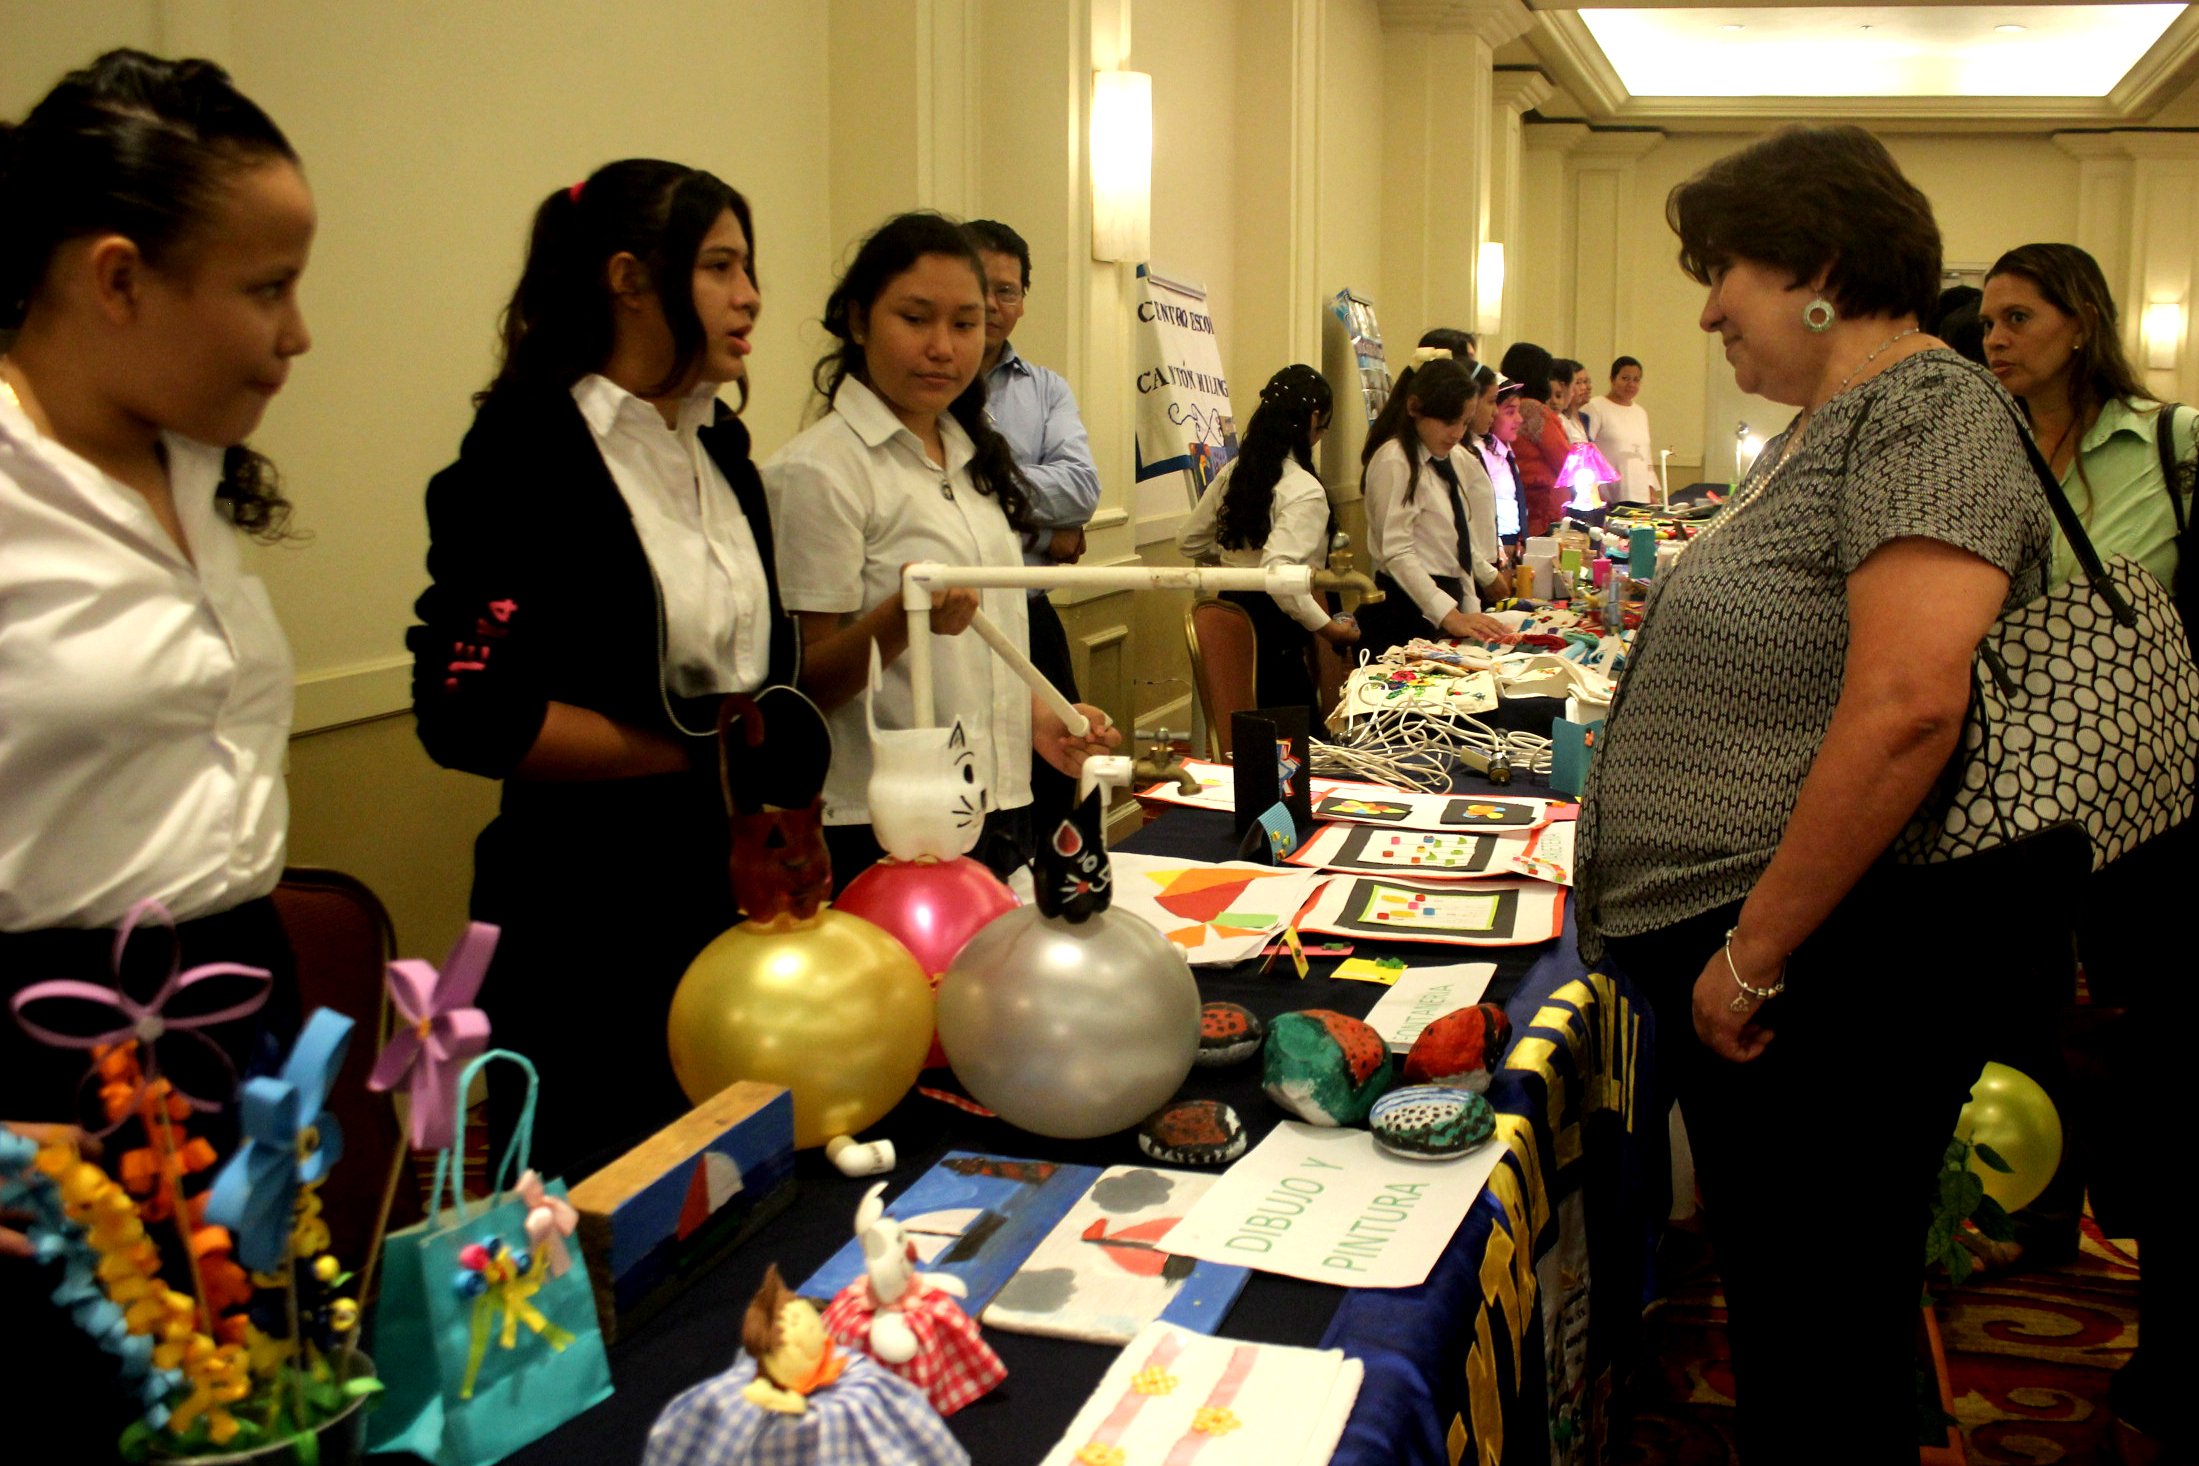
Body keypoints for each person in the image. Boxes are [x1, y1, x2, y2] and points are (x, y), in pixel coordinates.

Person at [1575, 124, 2056, 1464]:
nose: (1706, 308)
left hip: (1833, 975)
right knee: (1792, 1321)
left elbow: (1907, 705)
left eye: (1722, 270)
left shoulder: (1930, 409)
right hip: (1786, 967)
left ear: (1820, 266)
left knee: (1823, 1333)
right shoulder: (1822, 429)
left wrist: (1753, 950)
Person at [0, 45, 311, 1422]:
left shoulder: (190, 460)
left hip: (236, 1016)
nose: (297, 335)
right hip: (47, 1057)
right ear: (117, 278)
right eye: (267, 287)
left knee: (272, 1399)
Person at [409, 159, 798, 1178]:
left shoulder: (721, 454)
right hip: (583, 912)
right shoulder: (526, 453)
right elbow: (467, 712)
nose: (750, 296)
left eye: (748, 267)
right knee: (602, 1203)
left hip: (723, 890)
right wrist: (691, 757)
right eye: (719, 267)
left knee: (736, 1185)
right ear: (629, 280)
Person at [1981, 240, 2192, 1465]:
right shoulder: (1990, 443)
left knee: (2135, 1022)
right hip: (2025, 780)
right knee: (2019, 1001)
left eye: (2021, 316)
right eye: (1990, 319)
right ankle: (2037, 1207)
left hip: (2152, 793)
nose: (1998, 337)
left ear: (2083, 321)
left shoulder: (2167, 442)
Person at [763, 212, 1117, 887]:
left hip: (995, 804)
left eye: (964, 324)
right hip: (883, 824)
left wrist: (1040, 720)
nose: (942, 347)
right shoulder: (819, 471)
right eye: (915, 319)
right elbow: (801, 687)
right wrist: (902, 618)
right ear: (859, 320)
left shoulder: (973, 460)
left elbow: (983, 644)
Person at [964, 219, 1100, 839]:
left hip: (1031, 618)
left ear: (1022, 300)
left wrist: (986, 481)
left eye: (1008, 291)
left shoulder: (1045, 389)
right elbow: (943, 505)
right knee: (972, 805)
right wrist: (1047, 535)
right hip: (954, 624)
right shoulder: (928, 387)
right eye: (981, 288)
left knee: (1055, 792)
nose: (993, 305)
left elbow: (1082, 487)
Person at [1177, 364, 1356, 706]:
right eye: (1323, 427)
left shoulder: (1235, 470)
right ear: (1313, 419)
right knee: (1289, 729)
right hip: (1276, 626)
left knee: (1239, 717)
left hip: (1231, 608)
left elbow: (1189, 540)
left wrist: (1237, 559)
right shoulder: (1303, 489)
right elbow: (1278, 575)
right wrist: (1329, 628)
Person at [1356, 353, 1514, 656]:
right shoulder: (1395, 460)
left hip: (1445, 602)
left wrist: (1470, 607)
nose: (1457, 434)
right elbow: (1396, 551)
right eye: (1448, 422)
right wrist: (1449, 614)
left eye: (1464, 423)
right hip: (1404, 608)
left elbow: (1457, 544)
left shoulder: (1448, 458)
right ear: (1415, 408)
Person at [1500, 342, 1569, 537]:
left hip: (1523, 499)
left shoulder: (1508, 407)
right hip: (1543, 507)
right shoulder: (1533, 410)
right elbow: (1564, 461)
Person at [1589, 355, 1659, 501]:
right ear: (1612, 379)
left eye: (1636, 380)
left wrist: (1650, 488)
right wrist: (1594, 490)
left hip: (1639, 493)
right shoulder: (1596, 407)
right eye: (1625, 378)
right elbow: (1587, 451)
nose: (1631, 384)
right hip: (1608, 493)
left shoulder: (1640, 412)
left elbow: (1645, 455)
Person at [1479, 375, 1530, 553]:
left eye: (1518, 411)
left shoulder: (1505, 452)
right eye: (1510, 412)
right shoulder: (1481, 454)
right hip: (1495, 543)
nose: (1519, 419)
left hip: (1512, 542)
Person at [1552, 358, 1591, 444]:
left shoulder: (1579, 419)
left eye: (1586, 381)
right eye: (1578, 382)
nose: (1584, 387)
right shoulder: (1559, 418)